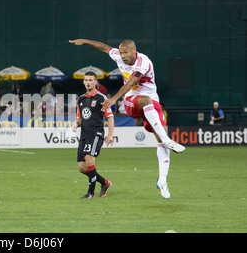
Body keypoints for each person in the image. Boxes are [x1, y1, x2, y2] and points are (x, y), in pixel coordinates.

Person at [70, 38, 186, 199]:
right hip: (132, 101)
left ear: (134, 50)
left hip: (153, 104)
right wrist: (85, 41)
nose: (122, 56)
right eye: (121, 52)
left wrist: (113, 98)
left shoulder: (143, 61)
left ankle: (162, 180)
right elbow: (104, 48)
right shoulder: (118, 55)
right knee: (146, 101)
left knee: (160, 139)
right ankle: (167, 139)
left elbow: (133, 79)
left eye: (126, 52)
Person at [72, 71, 114, 199]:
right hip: (84, 134)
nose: (88, 82)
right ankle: (105, 183)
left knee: (89, 160)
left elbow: (110, 117)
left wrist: (110, 135)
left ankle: (91, 193)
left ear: (96, 82)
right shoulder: (81, 99)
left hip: (96, 133)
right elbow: (79, 118)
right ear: (83, 82)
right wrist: (75, 124)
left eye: (91, 80)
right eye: (86, 80)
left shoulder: (101, 98)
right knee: (82, 168)